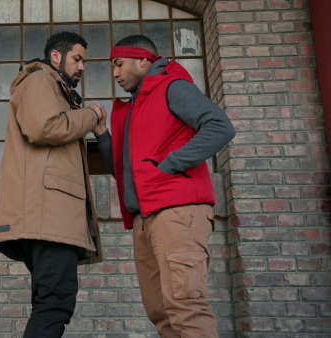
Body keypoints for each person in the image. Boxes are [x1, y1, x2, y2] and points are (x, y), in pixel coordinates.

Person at [93, 35, 236, 337]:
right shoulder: (135, 106)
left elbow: (220, 126)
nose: (115, 74)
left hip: (177, 212)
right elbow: (124, 170)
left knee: (186, 310)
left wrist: (170, 164)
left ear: (142, 60)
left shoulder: (171, 86)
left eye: (119, 64)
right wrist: (103, 135)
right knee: (162, 315)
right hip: (145, 220)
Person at [0, 31, 105, 337]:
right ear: (56, 56)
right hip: (47, 217)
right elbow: (44, 127)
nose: (82, 66)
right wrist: (91, 116)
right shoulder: (40, 80)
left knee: (49, 303)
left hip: (46, 216)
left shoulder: (56, 90)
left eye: (84, 61)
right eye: (77, 58)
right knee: (55, 304)